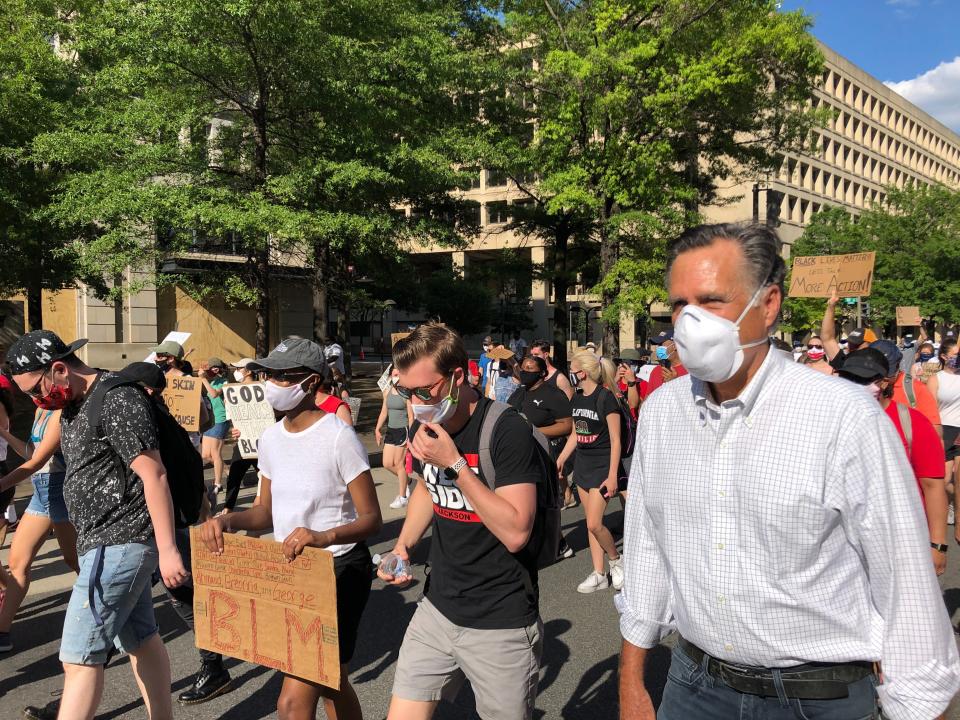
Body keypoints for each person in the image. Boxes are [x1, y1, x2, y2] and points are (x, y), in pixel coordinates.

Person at [618, 223, 960, 720]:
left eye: (711, 301)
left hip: (817, 696)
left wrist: (915, 705)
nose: (689, 322)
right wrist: (633, 682)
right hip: (693, 685)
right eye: (679, 305)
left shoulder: (843, 416)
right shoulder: (663, 412)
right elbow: (648, 547)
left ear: (769, 303)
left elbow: (904, 585)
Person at [7, 330, 188, 720]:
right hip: (105, 542)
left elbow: (153, 475)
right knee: (141, 639)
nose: (35, 401)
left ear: (59, 369)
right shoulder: (74, 402)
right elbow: (38, 459)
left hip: (119, 541)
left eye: (35, 390)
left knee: (78, 657)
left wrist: (169, 550)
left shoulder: (116, 398)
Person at [200, 337, 382, 720]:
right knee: (332, 683)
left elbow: (371, 519)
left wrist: (323, 536)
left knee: (291, 702)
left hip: (338, 569)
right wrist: (227, 520)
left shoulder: (338, 436)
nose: (271, 383)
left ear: (312, 383)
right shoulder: (270, 438)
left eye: (283, 376)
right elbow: (265, 511)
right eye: (269, 374)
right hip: (290, 572)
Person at [378, 323, 543, 720]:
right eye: (405, 392)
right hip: (436, 608)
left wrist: (454, 464)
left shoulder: (507, 429)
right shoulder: (425, 424)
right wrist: (402, 546)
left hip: (500, 621)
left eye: (423, 391)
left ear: (457, 376)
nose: (416, 404)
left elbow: (517, 531)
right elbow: (424, 488)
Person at [838, 343, 949, 577]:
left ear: (884, 382)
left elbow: (933, 485)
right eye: (848, 378)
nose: (854, 385)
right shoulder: (832, 419)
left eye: (862, 379)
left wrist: (937, 545)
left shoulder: (913, 423)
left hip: (901, 539)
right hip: (843, 545)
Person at [0, 407, 78, 653]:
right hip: (40, 491)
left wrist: (1, 484)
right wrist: (4, 433)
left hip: (60, 488)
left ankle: (118, 623)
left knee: (76, 561)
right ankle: (2, 632)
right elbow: (31, 452)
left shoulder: (60, 412)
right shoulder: (39, 411)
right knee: (17, 563)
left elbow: (38, 461)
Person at [556, 350, 624, 594]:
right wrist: (562, 458)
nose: (570, 375)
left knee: (595, 523)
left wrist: (613, 474)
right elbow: (576, 433)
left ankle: (616, 560)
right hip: (583, 464)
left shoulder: (606, 398)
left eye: (572, 371)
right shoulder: (577, 398)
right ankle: (599, 572)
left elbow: (616, 440)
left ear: (582, 373)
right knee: (590, 523)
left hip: (603, 466)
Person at [508, 354, 576, 513]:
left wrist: (533, 431)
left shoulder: (552, 394)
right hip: (520, 453)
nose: (525, 372)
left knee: (543, 504)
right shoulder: (519, 393)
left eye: (530, 369)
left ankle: (554, 536)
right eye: (523, 368)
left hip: (545, 453)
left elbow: (567, 425)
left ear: (542, 374)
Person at [222, 358, 261, 514]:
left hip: (261, 442)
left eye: (239, 368)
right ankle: (227, 509)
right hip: (243, 440)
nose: (236, 371)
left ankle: (267, 508)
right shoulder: (234, 391)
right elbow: (235, 419)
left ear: (249, 371)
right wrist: (234, 429)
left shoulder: (263, 390)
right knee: (234, 475)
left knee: (266, 477)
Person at [376, 365, 414, 509]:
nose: (395, 376)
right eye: (393, 374)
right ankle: (408, 482)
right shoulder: (387, 392)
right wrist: (377, 429)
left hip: (402, 431)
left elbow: (411, 417)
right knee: (386, 463)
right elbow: (384, 412)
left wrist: (411, 436)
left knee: (399, 464)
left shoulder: (407, 394)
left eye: (398, 374)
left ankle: (402, 496)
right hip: (391, 430)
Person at [199, 357, 230, 497]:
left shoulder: (224, 382)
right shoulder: (207, 380)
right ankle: (225, 469)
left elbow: (214, 394)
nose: (206, 372)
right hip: (209, 420)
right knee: (205, 454)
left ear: (216, 369)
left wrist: (204, 379)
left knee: (215, 453)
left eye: (209, 369)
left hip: (220, 418)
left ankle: (218, 483)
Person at [641, 331, 687, 401]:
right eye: (658, 345)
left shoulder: (690, 371)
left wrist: (674, 383)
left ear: (675, 346)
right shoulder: (656, 370)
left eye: (661, 345)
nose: (658, 348)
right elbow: (646, 401)